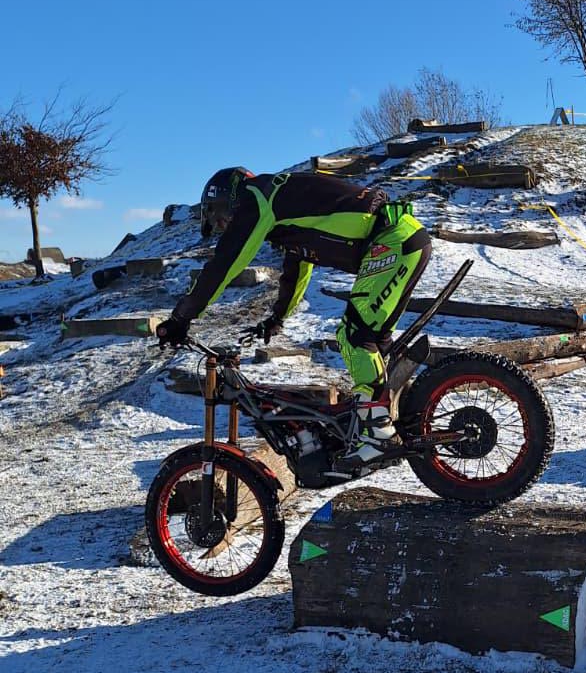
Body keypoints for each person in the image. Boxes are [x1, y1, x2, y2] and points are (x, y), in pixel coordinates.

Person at [157, 166, 432, 465]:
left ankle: (377, 434)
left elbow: (225, 264)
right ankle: (400, 419)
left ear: (230, 198)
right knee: (374, 339)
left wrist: (181, 318)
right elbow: (297, 268)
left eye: (221, 217)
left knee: (355, 335)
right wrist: (277, 318)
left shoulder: (257, 199)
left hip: (391, 240)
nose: (225, 226)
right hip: (402, 238)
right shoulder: (285, 204)